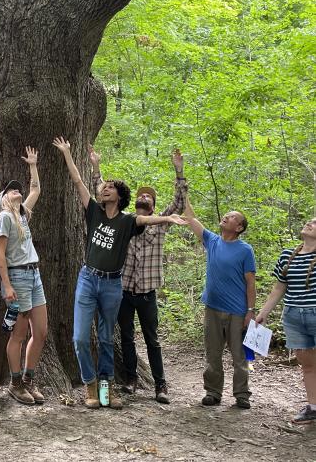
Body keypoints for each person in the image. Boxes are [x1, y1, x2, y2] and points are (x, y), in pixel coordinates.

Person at [52, 137, 187, 409]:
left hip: (113, 285)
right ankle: (89, 385)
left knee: (105, 337)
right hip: (88, 279)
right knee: (80, 337)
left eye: (110, 188)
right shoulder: (94, 212)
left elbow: (146, 219)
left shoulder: (127, 221)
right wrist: (68, 153)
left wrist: (167, 218)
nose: (105, 190)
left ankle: (106, 388)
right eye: (104, 187)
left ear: (120, 197)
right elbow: (79, 182)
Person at [90, 146, 187, 404]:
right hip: (123, 292)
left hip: (147, 295)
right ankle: (131, 379)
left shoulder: (161, 224)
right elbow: (101, 194)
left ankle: (160, 384)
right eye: (142, 194)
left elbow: (179, 203)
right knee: (126, 336)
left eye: (149, 196)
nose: (145, 197)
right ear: (134, 202)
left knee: (152, 339)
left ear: (154, 206)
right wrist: (96, 167)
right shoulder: (125, 223)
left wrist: (179, 171)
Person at [184, 200, 256, 409]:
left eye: (233, 216)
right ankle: (213, 392)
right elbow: (190, 217)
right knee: (213, 353)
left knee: (239, 356)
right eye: (227, 213)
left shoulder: (245, 250)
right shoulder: (212, 241)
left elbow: (250, 282)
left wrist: (250, 311)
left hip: (237, 311)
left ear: (239, 227)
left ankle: (242, 394)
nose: (226, 216)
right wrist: (181, 184)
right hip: (213, 308)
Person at [0, 147, 47, 405]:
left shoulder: (23, 214)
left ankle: (28, 379)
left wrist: (33, 165)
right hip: (18, 278)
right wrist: (7, 285)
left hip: (34, 275)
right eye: (11, 190)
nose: (18, 191)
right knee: (18, 334)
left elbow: (35, 189)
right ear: (3, 199)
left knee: (41, 331)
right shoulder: (4, 218)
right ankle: (15, 384)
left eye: (18, 189)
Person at [256, 217, 316, 424]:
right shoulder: (287, 255)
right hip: (292, 316)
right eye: (310, 221)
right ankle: (313, 407)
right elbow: (279, 288)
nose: (310, 223)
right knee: (306, 363)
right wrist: (263, 313)